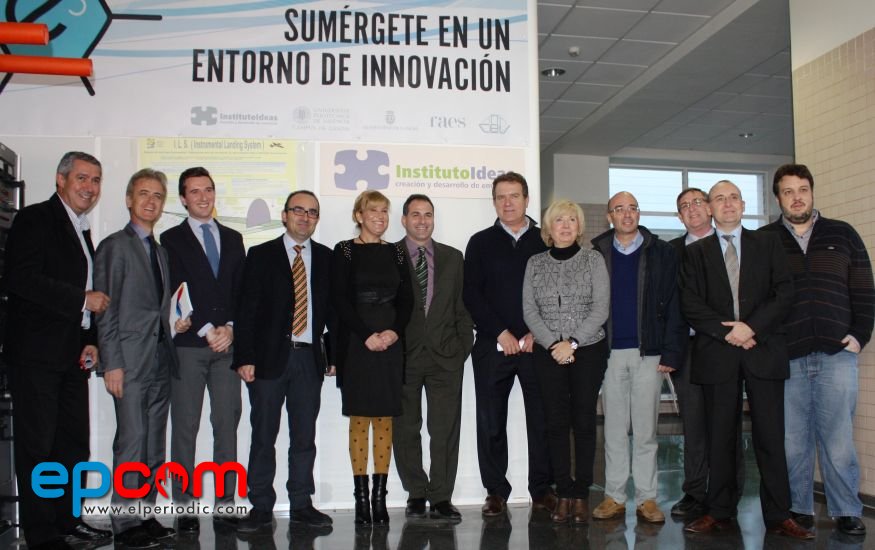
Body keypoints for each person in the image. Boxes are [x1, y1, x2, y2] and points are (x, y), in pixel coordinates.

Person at [680, 180, 812, 539]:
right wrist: (729, 333)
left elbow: (784, 292)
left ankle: (779, 515)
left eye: (733, 198)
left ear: (742, 205)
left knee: (771, 435)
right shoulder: (695, 253)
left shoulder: (768, 243)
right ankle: (719, 511)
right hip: (717, 352)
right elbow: (690, 302)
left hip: (762, 349)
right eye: (719, 199)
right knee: (720, 436)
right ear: (709, 208)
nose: (727, 204)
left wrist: (751, 328)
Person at [2, 151, 112, 549]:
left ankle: (69, 521)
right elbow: (21, 279)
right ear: (60, 180)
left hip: (70, 357)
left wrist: (90, 340)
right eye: (82, 178)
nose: (90, 187)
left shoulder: (81, 228)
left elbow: (86, 297)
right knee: (38, 448)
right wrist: (81, 300)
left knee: (72, 445)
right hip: (35, 356)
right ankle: (42, 533)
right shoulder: (35, 219)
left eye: (96, 180)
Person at [760, 164, 874, 536]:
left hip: (837, 354)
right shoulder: (765, 240)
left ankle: (846, 510)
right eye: (788, 191)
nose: (797, 198)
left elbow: (863, 288)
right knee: (793, 440)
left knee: (838, 440)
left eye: (803, 190)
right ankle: (799, 508)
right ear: (778, 198)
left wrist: (858, 336)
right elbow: (756, 299)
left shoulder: (843, 234)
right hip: (787, 356)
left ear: (811, 192)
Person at [233, 190, 334, 532]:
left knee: (304, 437)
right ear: (285, 215)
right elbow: (247, 310)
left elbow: (333, 312)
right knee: (264, 435)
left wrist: (333, 356)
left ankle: (301, 503)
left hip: (308, 360)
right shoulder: (261, 255)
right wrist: (244, 357)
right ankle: (261, 505)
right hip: (267, 361)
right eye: (298, 210)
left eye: (312, 212)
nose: (305, 217)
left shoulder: (327, 257)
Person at [95, 168, 182, 549]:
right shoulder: (115, 246)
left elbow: (155, 309)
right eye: (144, 193)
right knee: (131, 441)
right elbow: (106, 311)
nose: (151, 201)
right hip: (128, 362)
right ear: (129, 199)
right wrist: (111, 363)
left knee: (153, 444)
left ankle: (146, 514)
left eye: (158, 196)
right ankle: (125, 521)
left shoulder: (159, 252)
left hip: (160, 359)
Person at [463, 171, 556, 517]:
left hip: (537, 344)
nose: (508, 202)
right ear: (494, 202)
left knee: (542, 420)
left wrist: (536, 332)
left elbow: (554, 293)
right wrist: (500, 332)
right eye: (501, 197)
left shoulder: (545, 240)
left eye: (514, 196)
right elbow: (471, 293)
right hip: (493, 344)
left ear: (527, 199)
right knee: (490, 421)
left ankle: (542, 489)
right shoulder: (480, 242)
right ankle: (495, 491)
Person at [590, 192, 686, 524]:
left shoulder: (662, 252)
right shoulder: (597, 252)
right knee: (614, 429)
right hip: (609, 353)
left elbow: (674, 303)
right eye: (620, 209)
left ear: (639, 214)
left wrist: (671, 350)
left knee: (646, 431)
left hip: (650, 353)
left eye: (632, 208)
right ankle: (615, 496)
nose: (627, 214)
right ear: (610, 216)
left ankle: (647, 499)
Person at [161, 167, 246, 532]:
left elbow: (242, 291)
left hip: (227, 346)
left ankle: (226, 503)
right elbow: (176, 291)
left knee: (226, 425)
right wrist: (208, 329)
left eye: (208, 189)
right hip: (189, 346)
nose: (203, 197)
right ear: (183, 198)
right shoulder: (170, 239)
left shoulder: (233, 238)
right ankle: (184, 506)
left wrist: (231, 329)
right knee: (185, 427)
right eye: (194, 191)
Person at [522, 199, 609, 524]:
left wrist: (571, 343)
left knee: (584, 422)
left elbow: (600, 308)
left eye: (572, 220)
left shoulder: (593, 260)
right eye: (559, 220)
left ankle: (581, 493)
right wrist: (553, 344)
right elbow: (529, 310)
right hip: (548, 352)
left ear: (579, 226)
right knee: (555, 423)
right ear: (549, 227)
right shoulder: (535, 263)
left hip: (588, 350)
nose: (566, 225)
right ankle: (563, 491)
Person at [331, 190, 413, 526]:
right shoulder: (345, 250)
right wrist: (366, 335)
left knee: (384, 418)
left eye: (384, 211)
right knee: (359, 418)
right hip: (357, 343)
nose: (380, 216)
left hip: (390, 343)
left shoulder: (397, 252)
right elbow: (339, 300)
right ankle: (361, 500)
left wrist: (393, 332)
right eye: (373, 210)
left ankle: (380, 499)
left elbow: (407, 300)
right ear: (359, 215)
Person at [392, 194, 473, 521]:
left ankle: (441, 496)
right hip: (403, 357)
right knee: (405, 428)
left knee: (445, 430)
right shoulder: (390, 256)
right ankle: (416, 492)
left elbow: (462, 307)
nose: (422, 220)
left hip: (446, 357)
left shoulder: (453, 258)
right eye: (415, 214)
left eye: (428, 214)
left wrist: (463, 346)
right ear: (404, 220)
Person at [668, 188, 744, 519]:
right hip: (688, 347)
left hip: (726, 345)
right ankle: (695, 491)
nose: (692, 209)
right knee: (694, 423)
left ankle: (729, 491)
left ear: (710, 208)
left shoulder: (730, 244)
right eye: (684, 206)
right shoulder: (671, 252)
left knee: (727, 422)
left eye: (698, 202)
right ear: (679, 216)